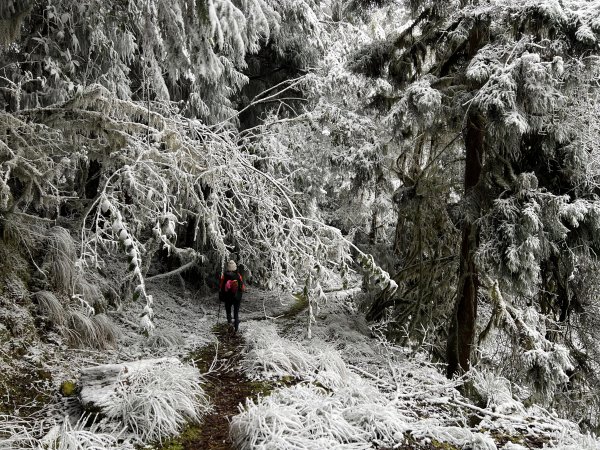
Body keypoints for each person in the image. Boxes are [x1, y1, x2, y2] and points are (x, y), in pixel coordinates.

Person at [219, 260, 245, 333]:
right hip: (237, 297)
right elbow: (242, 287)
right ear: (235, 267)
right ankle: (236, 329)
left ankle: (229, 326)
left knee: (228, 312)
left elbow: (221, 286)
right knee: (236, 313)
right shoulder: (238, 275)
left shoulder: (224, 275)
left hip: (227, 297)